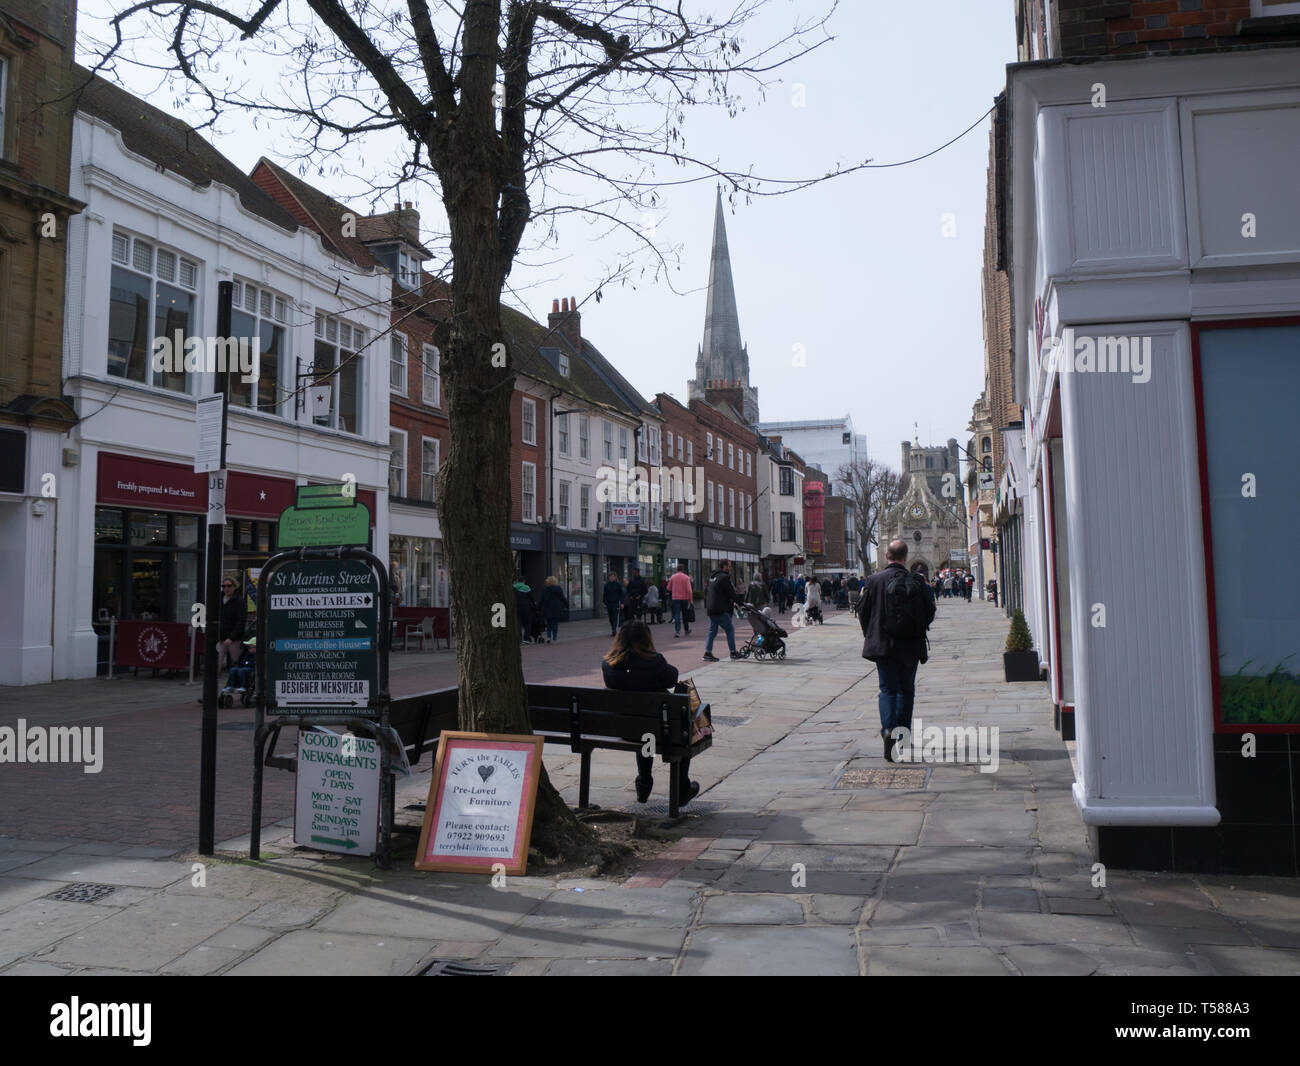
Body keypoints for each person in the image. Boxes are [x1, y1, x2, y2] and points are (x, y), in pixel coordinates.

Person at [602, 621, 699, 805]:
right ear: (646, 639)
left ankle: (644, 783)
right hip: (659, 729)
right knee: (681, 729)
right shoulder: (654, 661)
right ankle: (681, 788)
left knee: (646, 733)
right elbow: (672, 677)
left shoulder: (608, 665)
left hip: (625, 728)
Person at [860, 539, 936, 762]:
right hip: (910, 645)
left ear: (886, 556)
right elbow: (929, 612)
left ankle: (887, 732)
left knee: (887, 690)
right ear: (905, 557)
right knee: (906, 690)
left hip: (883, 645)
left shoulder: (873, 581)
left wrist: (871, 635)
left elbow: (863, 613)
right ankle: (902, 737)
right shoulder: (918, 581)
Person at [703, 559, 741, 662]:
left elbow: (707, 591)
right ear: (724, 567)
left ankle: (707, 652)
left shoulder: (712, 577)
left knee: (712, 631)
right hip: (719, 609)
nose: (730, 568)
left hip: (711, 608)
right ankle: (733, 652)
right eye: (729, 566)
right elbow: (731, 592)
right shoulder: (724, 577)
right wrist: (740, 602)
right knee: (729, 629)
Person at [218, 576, 247, 675]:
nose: (226, 588)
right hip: (221, 636)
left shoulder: (239, 601)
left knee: (236, 662)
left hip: (234, 638)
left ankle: (238, 683)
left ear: (234, 587)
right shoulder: (220, 599)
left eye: (229, 586)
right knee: (217, 661)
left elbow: (241, 621)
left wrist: (231, 637)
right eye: (224, 586)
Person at [666, 561, 694, 637]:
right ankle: (686, 630)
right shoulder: (686, 578)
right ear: (683, 569)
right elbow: (689, 590)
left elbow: (668, 588)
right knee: (685, 615)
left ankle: (677, 631)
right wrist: (691, 601)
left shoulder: (672, 577)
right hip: (684, 599)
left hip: (675, 598)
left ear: (676, 569)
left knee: (677, 615)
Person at [540, 576, 568, 643]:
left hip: (547, 608)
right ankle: (554, 638)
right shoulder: (558, 588)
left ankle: (548, 637)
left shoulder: (545, 589)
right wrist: (567, 604)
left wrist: (538, 607)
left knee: (549, 624)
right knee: (555, 623)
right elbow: (562, 598)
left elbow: (542, 600)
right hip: (556, 608)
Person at [514, 577, 537, 644]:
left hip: (517, 607)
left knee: (518, 624)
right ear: (524, 581)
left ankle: (519, 639)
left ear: (517, 581)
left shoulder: (514, 587)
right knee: (527, 623)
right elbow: (531, 597)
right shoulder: (526, 587)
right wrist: (534, 604)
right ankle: (526, 639)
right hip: (527, 608)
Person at [602, 572, 626, 636]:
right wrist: (605, 602)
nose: (612, 578)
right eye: (611, 576)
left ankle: (614, 631)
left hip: (616, 603)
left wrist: (622, 603)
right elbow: (605, 594)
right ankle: (613, 628)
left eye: (613, 576)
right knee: (610, 617)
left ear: (615, 577)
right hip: (609, 603)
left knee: (615, 617)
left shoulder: (618, 585)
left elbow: (621, 594)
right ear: (609, 577)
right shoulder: (606, 585)